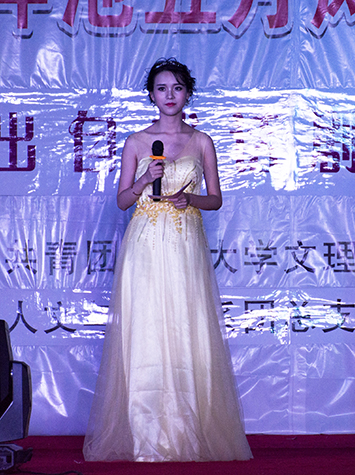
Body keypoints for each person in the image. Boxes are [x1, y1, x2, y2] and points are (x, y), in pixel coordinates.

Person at [83, 58, 253, 462]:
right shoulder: (137, 142)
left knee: (186, 326)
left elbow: (216, 199)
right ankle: (146, 435)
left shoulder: (202, 141)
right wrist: (144, 180)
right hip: (144, 242)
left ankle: (187, 433)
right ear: (151, 95)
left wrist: (190, 198)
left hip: (185, 242)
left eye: (177, 88)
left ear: (188, 93)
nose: (170, 95)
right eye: (162, 88)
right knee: (147, 328)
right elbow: (122, 200)